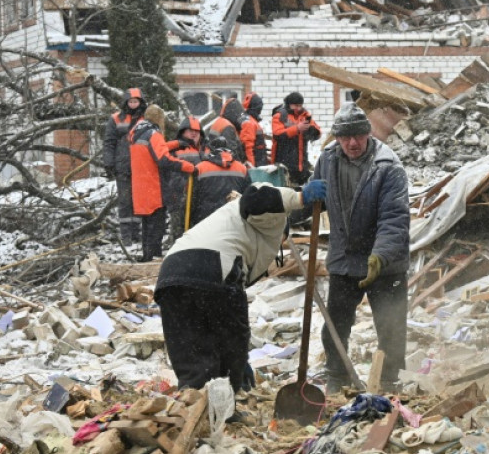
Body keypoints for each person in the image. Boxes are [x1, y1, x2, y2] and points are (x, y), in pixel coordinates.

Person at [155, 181, 328, 395]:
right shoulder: (270, 220)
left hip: (172, 276)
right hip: (214, 268)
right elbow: (254, 199)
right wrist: (300, 198)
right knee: (231, 343)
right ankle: (223, 409)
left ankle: (194, 406)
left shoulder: (227, 223)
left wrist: (238, 357)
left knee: (191, 354)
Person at [309, 102, 410, 393]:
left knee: (390, 325)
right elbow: (316, 197)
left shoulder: (388, 166)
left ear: (368, 134)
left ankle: (389, 381)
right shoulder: (327, 159)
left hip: (385, 262)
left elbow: (394, 218)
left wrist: (380, 256)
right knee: (336, 324)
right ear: (337, 138)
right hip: (344, 259)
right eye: (345, 137)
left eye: (358, 136)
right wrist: (292, 207)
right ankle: (336, 378)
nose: (352, 143)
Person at [128, 105, 195, 262]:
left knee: (147, 226)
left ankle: (147, 257)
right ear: (160, 118)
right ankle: (154, 259)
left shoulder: (137, 132)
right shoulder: (154, 133)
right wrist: (188, 167)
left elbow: (154, 149)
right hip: (154, 186)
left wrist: (176, 144)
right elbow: (163, 159)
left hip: (140, 187)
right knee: (157, 226)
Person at [103, 88, 146, 244]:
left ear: (141, 103)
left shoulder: (146, 119)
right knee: (125, 200)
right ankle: (126, 235)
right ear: (126, 102)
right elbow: (109, 142)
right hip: (123, 166)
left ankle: (136, 233)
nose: (133, 104)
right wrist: (108, 163)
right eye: (131, 101)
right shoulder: (115, 119)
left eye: (136, 101)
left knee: (138, 200)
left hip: (141, 167)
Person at [189, 137, 250, 227]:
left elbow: (192, 200)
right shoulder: (242, 169)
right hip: (234, 221)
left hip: (206, 222)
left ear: (209, 150)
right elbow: (248, 197)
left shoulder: (199, 168)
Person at [165, 115, 206, 242]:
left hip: (197, 196)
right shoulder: (175, 149)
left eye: (196, 131)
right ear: (183, 131)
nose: (194, 134)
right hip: (178, 194)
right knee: (178, 227)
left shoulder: (204, 149)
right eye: (190, 131)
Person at [272, 92, 321, 185]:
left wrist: (311, 130)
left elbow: (318, 132)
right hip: (284, 164)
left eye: (300, 105)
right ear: (289, 104)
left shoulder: (305, 115)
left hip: (301, 165)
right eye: (296, 105)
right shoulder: (279, 116)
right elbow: (278, 135)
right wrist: (297, 129)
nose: (298, 108)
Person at [207, 92, 247, 163]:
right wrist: (239, 165)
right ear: (234, 114)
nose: (239, 120)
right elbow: (232, 150)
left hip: (217, 160)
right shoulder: (228, 127)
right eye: (239, 116)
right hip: (226, 163)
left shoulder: (219, 121)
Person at [239, 92, 270, 167]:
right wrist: (251, 166)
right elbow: (248, 147)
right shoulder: (249, 122)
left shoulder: (250, 120)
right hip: (256, 162)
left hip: (259, 160)